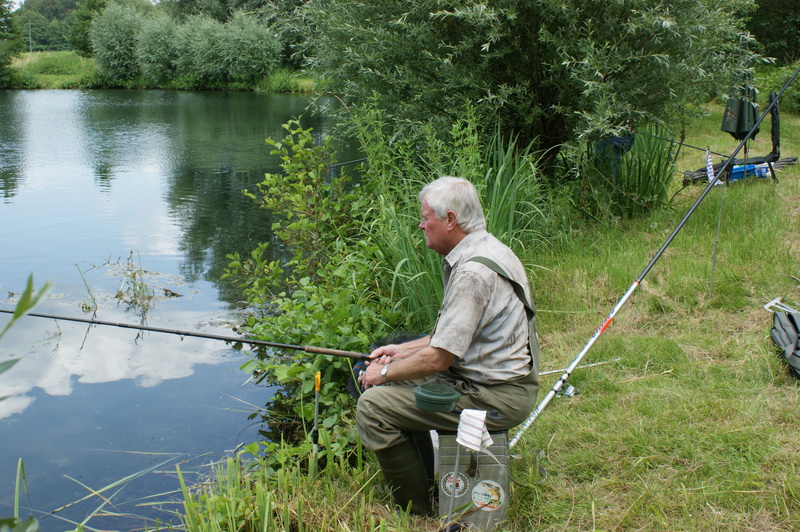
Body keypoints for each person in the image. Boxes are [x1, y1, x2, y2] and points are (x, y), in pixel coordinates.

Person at [356, 176, 541, 516]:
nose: (421, 225)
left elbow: (439, 359)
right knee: (392, 370)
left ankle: (416, 510)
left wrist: (382, 373)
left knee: (372, 407)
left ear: (451, 219)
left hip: (495, 395)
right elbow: (455, 336)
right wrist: (401, 352)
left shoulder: (472, 273)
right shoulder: (489, 249)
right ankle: (426, 479)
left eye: (426, 217)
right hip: (495, 382)